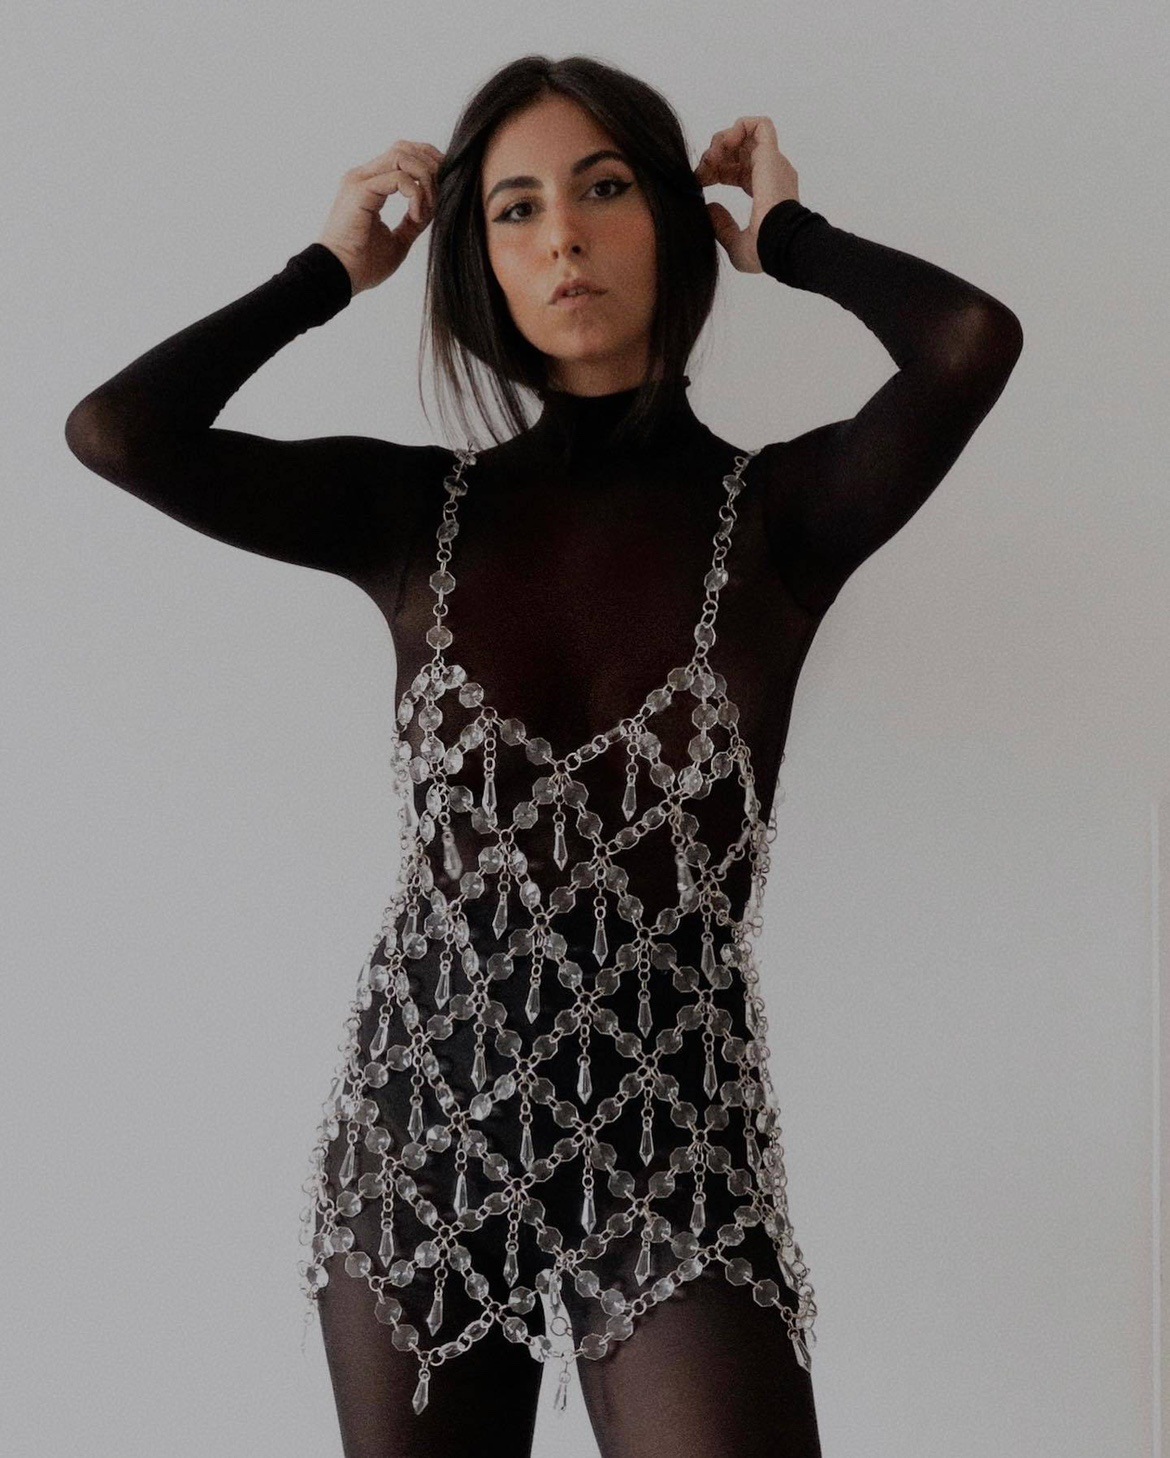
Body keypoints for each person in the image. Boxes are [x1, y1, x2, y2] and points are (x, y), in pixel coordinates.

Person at [64, 52, 1023, 1458]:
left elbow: (968, 343)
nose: (562, 235)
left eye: (604, 188)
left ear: (671, 222)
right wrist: (326, 271)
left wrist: (789, 234)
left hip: (678, 1140)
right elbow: (117, 432)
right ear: (481, 264)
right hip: (424, 1133)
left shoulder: (784, 515)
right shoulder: (413, 515)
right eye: (514, 209)